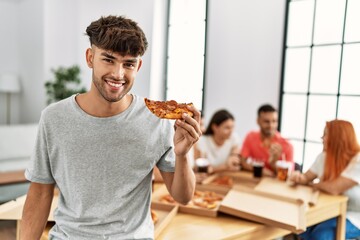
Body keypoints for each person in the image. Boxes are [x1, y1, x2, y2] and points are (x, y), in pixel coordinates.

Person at [20, 15, 201, 239]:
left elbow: (183, 197)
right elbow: (39, 193)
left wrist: (182, 155)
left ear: (139, 66)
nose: (118, 74)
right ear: (90, 57)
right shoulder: (54, 118)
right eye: (108, 59)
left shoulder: (156, 120)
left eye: (129, 64)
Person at [289, 120, 360, 239]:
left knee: (320, 235)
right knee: (299, 228)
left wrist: (313, 184)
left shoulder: (358, 160)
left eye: (326, 134)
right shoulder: (324, 156)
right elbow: (306, 177)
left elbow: (334, 189)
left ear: (338, 138)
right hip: (329, 210)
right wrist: (298, 177)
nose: (322, 138)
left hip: (355, 216)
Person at [240, 104, 294, 176]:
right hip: (255, 181)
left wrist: (273, 163)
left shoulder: (287, 145)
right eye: (266, 121)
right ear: (258, 121)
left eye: (274, 121)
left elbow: (288, 175)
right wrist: (261, 170)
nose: (271, 125)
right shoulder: (250, 137)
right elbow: (243, 162)